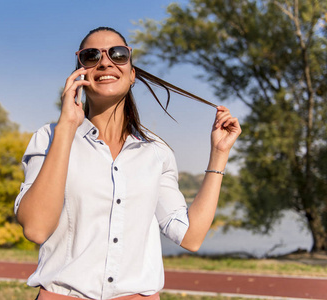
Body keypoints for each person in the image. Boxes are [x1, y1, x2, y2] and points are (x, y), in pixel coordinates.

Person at [14, 26, 241, 300]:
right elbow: (36, 228)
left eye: (118, 54)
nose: (105, 62)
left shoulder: (156, 152)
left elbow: (190, 237)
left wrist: (219, 154)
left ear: (132, 74)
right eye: (91, 56)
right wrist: (66, 128)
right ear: (80, 74)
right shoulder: (49, 137)